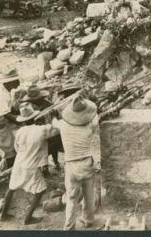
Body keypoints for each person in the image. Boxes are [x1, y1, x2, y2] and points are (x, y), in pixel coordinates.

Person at [0, 103, 56, 225]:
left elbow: (16, 147)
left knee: (11, 188)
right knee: (40, 190)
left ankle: (3, 215)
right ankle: (28, 218)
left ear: (23, 120)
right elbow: (55, 129)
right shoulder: (42, 129)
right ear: (34, 117)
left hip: (19, 163)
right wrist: (53, 116)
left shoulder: (19, 131)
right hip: (32, 165)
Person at [53, 94, 101, 230]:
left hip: (72, 165)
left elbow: (53, 121)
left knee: (71, 198)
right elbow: (95, 115)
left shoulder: (62, 125)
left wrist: (53, 114)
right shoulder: (91, 125)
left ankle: (69, 227)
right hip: (87, 163)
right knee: (89, 194)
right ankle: (88, 219)